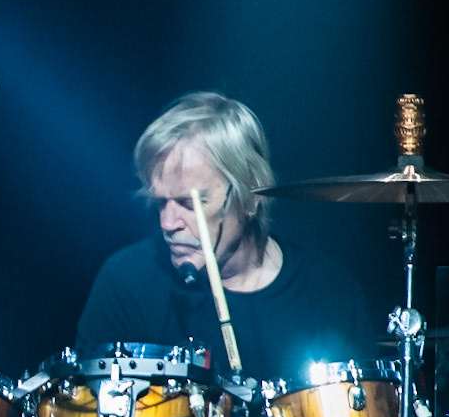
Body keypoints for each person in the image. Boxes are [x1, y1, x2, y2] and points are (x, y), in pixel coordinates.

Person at [76, 91, 378, 381]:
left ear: (251, 193)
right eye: (160, 203)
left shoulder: (328, 293)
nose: (167, 223)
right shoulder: (126, 281)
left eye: (188, 203)